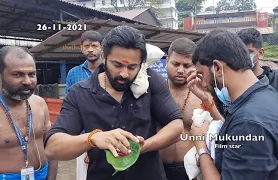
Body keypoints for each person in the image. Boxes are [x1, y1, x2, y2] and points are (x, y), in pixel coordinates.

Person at [44, 25, 184, 180]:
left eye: (132, 67)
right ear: (104, 56)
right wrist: (93, 138)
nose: (124, 73)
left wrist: (141, 147)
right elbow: (52, 147)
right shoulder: (81, 92)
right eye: (117, 65)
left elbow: (176, 126)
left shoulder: (152, 82)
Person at [187, 31, 278, 179]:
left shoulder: (250, 122)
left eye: (202, 74)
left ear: (217, 67)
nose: (203, 83)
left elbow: (244, 127)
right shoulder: (266, 95)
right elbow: (236, 132)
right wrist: (207, 99)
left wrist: (201, 148)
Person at [237, 28, 278, 180]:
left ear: (260, 53)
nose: (243, 57)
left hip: (274, 166)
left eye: (248, 51)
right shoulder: (231, 84)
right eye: (239, 52)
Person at [0, 46, 58, 179]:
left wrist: (51, 178)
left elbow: (52, 145)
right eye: (17, 74)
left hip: (42, 174)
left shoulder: (39, 103)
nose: (27, 81)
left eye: (31, 74)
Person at [159, 38, 201, 180]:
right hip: (159, 169)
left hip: (192, 171)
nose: (181, 70)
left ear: (195, 65)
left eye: (187, 65)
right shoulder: (153, 91)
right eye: (175, 64)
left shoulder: (204, 95)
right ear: (167, 61)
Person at [65, 30, 104, 180]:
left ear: (101, 48)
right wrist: (86, 143)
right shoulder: (73, 73)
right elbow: (72, 110)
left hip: (110, 134)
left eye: (94, 46)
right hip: (83, 138)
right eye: (86, 46)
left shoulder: (111, 71)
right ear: (81, 48)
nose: (90, 49)